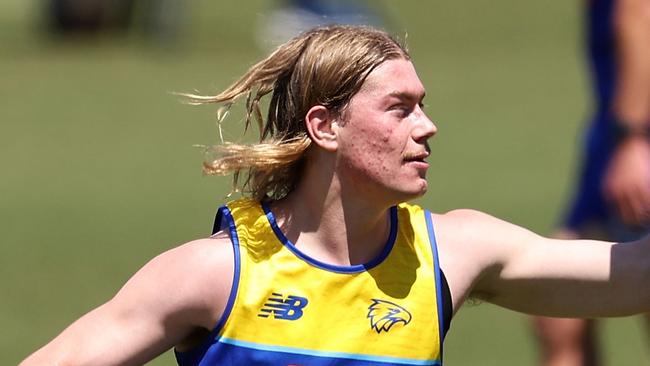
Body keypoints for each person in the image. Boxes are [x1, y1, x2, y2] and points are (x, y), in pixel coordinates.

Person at [20, 24, 650, 366]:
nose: (426, 126)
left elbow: (634, 279)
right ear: (325, 126)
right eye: (399, 109)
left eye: (423, 107)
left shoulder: (455, 253)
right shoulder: (216, 273)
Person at [532, 0, 650, 364]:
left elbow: (639, 13)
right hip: (613, 131)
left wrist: (633, 136)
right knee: (557, 311)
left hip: (632, 135)